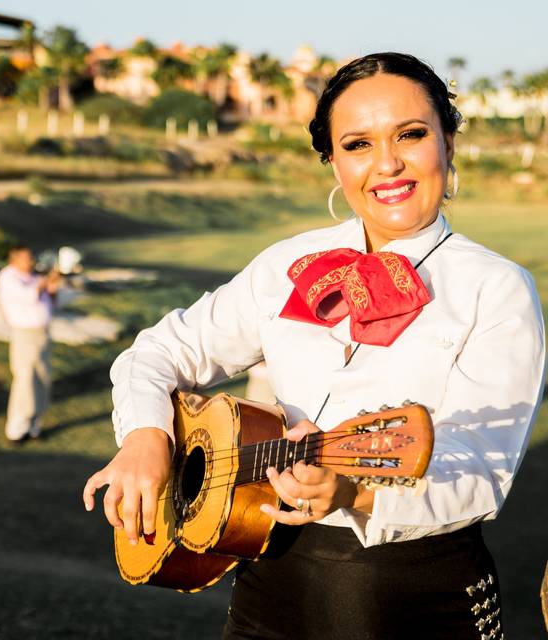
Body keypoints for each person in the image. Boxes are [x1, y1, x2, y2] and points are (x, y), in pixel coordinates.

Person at [83, 52, 545, 639]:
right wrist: (146, 436)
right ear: (332, 161)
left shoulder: (497, 287)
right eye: (357, 144)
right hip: (267, 583)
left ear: (448, 142)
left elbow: (483, 471)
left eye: (411, 134)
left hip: (411, 596)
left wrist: (353, 492)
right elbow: (155, 353)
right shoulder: (285, 265)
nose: (388, 164)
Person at [0, 245, 60, 443]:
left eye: (31, 257)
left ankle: (34, 425)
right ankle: (17, 429)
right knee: (25, 379)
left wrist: (52, 288)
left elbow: (50, 302)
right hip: (24, 334)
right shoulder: (8, 277)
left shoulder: (32, 276)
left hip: (42, 333)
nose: (31, 261)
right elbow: (25, 297)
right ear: (14, 259)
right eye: (27, 258)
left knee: (41, 378)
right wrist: (44, 282)